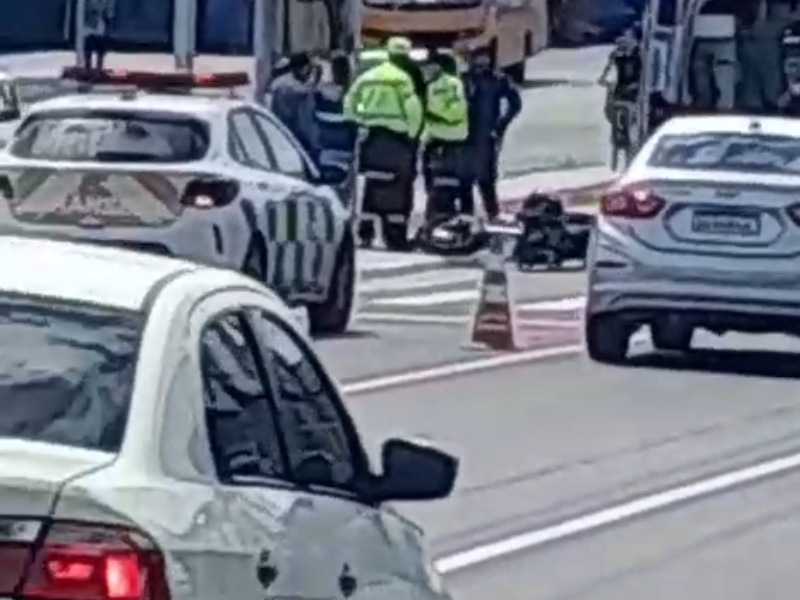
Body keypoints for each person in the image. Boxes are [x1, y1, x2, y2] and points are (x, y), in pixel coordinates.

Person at [343, 37, 424, 249]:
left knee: (371, 186)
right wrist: (413, 135)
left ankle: (365, 233)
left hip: (370, 139)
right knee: (398, 190)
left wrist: (357, 122)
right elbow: (413, 110)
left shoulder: (369, 76)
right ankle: (395, 236)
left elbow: (349, 102)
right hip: (397, 141)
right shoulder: (403, 79)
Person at [461, 47, 521, 220]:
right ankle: (466, 220)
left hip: (486, 135)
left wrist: (500, 126)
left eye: (484, 59)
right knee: (465, 181)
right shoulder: (464, 79)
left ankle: (493, 217)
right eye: (478, 59)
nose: (481, 63)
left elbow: (515, 103)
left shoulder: (497, 80)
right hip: (464, 136)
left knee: (486, 180)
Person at [422, 50, 469, 220]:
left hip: (438, 140)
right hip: (456, 140)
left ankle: (436, 218)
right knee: (451, 183)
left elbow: (453, 111)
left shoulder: (439, 85)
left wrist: (434, 116)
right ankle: (450, 216)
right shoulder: (457, 84)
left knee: (435, 184)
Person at [269, 52, 320, 157]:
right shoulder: (297, 90)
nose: (309, 73)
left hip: (279, 134)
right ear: (305, 68)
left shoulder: (279, 83)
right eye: (309, 69)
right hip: (296, 140)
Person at [83, 0, 114, 70]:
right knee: (89, 47)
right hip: (90, 27)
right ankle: (88, 67)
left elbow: (109, 15)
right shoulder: (90, 3)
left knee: (100, 48)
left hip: (99, 28)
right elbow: (90, 10)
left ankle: (98, 68)